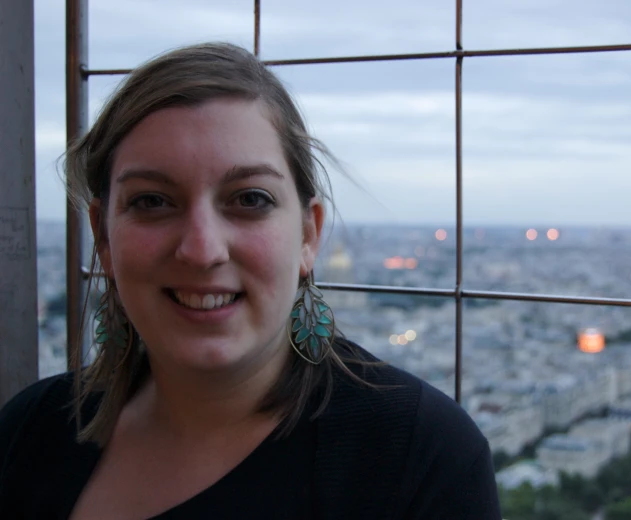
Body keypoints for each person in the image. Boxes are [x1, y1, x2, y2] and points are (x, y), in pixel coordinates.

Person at [0, 42, 501, 519]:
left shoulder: (419, 459)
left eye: (250, 199)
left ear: (309, 233)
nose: (201, 249)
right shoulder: (27, 433)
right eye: (152, 201)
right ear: (102, 236)